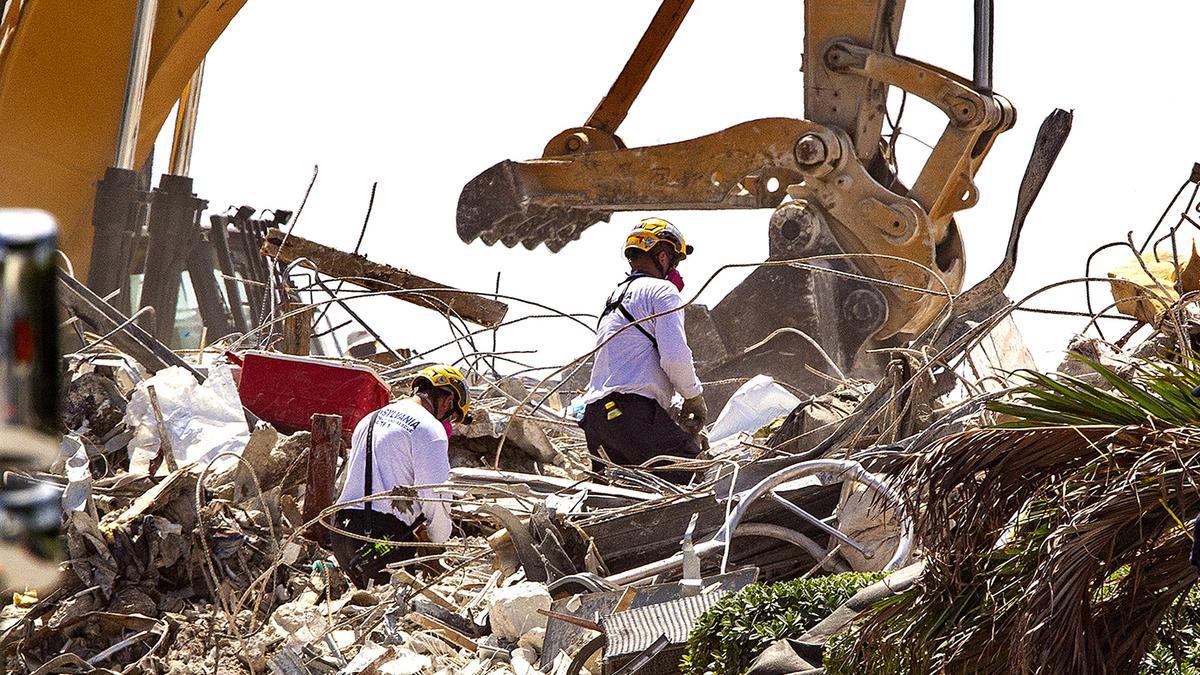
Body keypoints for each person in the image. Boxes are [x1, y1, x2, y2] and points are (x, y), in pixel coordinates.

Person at [579, 217, 708, 483]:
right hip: (629, 413)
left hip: (596, 420)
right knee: (692, 477)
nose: (675, 270)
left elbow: (631, 368)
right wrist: (693, 397)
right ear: (663, 257)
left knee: (628, 499)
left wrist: (670, 411)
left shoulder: (616, 298)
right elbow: (674, 357)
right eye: (675, 262)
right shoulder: (663, 291)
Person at [328, 365, 470, 587]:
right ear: (448, 401)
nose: (448, 424)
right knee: (396, 617)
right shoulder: (430, 429)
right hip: (382, 540)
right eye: (451, 417)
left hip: (342, 532)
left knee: (366, 610)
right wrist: (439, 539)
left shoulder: (370, 418)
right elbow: (435, 497)